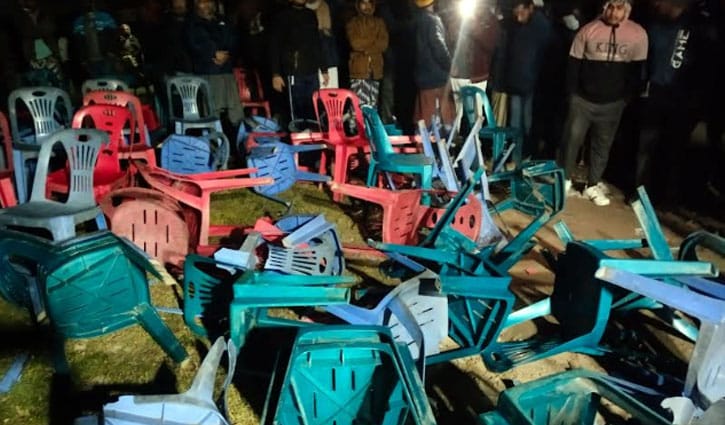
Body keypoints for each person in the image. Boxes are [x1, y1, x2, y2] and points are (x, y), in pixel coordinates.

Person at [560, 0, 648, 206]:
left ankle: (592, 184)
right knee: (571, 141)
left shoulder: (638, 34)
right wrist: (573, 95)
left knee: (602, 146)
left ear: (626, 9)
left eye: (619, 8)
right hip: (583, 100)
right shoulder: (588, 30)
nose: (614, 12)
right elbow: (573, 65)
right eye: (611, 7)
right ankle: (563, 181)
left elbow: (637, 72)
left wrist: (625, 99)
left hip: (613, 103)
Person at [634, 0, 717, 207]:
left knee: (672, 150)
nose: (655, 6)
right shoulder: (656, 27)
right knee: (646, 147)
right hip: (656, 94)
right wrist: (644, 84)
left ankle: (665, 197)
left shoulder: (698, 29)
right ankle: (640, 193)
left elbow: (705, 67)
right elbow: (647, 60)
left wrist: (697, 100)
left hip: (682, 100)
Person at [493, 0, 552, 163]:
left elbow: (544, 57)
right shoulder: (515, 26)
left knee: (528, 124)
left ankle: (528, 156)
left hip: (533, 85)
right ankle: (516, 158)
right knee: (515, 124)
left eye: (521, 12)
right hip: (516, 83)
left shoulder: (541, 27)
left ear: (530, 8)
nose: (518, 16)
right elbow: (507, 55)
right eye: (516, 12)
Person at [269, 0, 330, 125]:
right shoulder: (282, 16)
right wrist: (275, 73)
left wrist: (324, 69)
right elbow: (275, 46)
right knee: (296, 110)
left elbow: (317, 43)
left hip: (312, 70)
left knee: (313, 107)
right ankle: (298, 134)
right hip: (293, 71)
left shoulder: (310, 15)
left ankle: (311, 134)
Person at [185, 0, 243, 130]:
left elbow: (233, 39)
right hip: (207, 72)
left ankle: (240, 138)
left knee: (235, 110)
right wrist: (213, 53)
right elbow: (195, 44)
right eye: (202, 2)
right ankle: (214, 138)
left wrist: (227, 54)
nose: (206, 5)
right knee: (212, 111)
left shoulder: (223, 20)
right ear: (196, 4)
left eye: (209, 2)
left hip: (226, 71)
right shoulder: (192, 23)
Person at [446, 2, 499, 132]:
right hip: (458, 74)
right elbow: (449, 40)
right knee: (456, 113)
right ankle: (455, 139)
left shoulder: (489, 19)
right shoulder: (455, 16)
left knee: (476, 113)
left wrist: (473, 27)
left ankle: (475, 140)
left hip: (478, 74)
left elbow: (491, 45)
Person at [412, 0, 453, 127]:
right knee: (444, 119)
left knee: (425, 118)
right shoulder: (432, 20)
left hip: (422, 77)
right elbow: (438, 45)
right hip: (436, 77)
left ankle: (425, 137)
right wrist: (449, 65)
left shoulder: (416, 21)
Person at [346, 0, 388, 107]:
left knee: (373, 105)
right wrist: (374, 41)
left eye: (369, 2)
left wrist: (365, 48)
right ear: (358, 4)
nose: (366, 6)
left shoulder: (379, 22)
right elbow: (355, 43)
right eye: (363, 3)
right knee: (357, 106)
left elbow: (384, 44)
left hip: (375, 70)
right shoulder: (353, 23)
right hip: (358, 70)